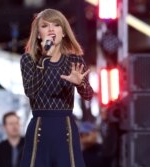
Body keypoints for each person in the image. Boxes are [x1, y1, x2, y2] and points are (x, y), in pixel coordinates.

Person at [20, 8, 94, 167]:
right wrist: (44, 59)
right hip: (40, 129)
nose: (51, 29)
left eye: (56, 25)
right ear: (39, 34)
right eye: (45, 26)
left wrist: (80, 83)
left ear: (64, 32)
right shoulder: (29, 59)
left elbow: (89, 95)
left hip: (65, 129)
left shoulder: (74, 60)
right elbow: (30, 91)